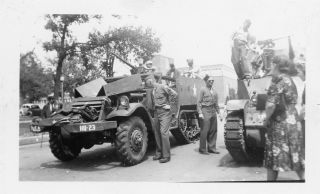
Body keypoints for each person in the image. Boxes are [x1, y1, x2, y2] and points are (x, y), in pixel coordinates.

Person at [263, 55, 305, 181]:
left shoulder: (277, 82)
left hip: (279, 126)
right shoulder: (291, 81)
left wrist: (265, 119)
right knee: (297, 159)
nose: (270, 66)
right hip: (293, 125)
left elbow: (270, 105)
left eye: (271, 64)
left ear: (276, 65)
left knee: (273, 160)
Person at [145, 76, 178, 163]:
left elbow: (174, 94)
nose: (148, 87)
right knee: (156, 132)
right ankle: (159, 153)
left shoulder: (163, 87)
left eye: (148, 84)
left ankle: (166, 156)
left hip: (165, 112)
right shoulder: (152, 91)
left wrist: (170, 105)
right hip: (156, 113)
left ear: (151, 82)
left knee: (163, 132)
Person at [198, 76, 222, 154]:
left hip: (213, 111)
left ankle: (212, 148)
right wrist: (200, 112)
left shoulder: (215, 92)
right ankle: (202, 149)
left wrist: (219, 113)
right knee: (205, 130)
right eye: (209, 81)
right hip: (205, 110)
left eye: (212, 81)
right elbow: (199, 102)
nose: (211, 82)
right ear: (206, 81)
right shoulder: (203, 90)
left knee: (213, 130)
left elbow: (216, 104)